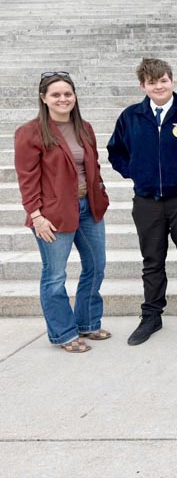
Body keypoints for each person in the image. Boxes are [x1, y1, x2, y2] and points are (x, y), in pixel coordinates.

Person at [108, 58, 177, 346]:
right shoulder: (131, 117)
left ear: (172, 81)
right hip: (147, 201)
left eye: (163, 80)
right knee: (152, 261)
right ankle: (152, 315)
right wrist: (134, 170)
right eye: (152, 82)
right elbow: (115, 151)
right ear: (142, 86)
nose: (159, 86)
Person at [15, 72, 110, 353]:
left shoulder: (85, 128)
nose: (63, 99)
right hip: (53, 215)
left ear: (75, 96)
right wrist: (36, 216)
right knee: (55, 276)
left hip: (89, 209)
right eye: (56, 94)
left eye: (67, 94)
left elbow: (92, 167)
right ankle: (63, 333)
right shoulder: (30, 132)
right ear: (43, 98)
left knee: (96, 267)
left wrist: (100, 194)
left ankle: (88, 322)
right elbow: (27, 178)